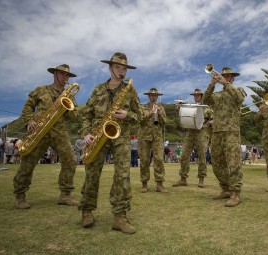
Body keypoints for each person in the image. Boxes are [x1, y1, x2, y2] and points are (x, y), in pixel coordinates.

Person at [79, 52, 140, 234]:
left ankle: (120, 217)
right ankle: (86, 211)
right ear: (110, 67)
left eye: (124, 68)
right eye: (118, 67)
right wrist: (86, 133)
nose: (122, 71)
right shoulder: (98, 89)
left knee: (122, 176)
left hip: (121, 136)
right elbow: (86, 114)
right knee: (92, 174)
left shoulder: (129, 90)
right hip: (98, 136)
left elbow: (141, 115)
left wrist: (127, 115)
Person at [13, 64, 79, 209]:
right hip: (39, 130)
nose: (65, 77)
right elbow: (28, 107)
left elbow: (75, 116)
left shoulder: (69, 95)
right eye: (62, 74)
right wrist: (29, 120)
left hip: (59, 132)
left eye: (67, 75)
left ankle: (65, 195)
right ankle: (20, 196)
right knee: (28, 162)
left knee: (70, 160)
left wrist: (67, 108)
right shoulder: (40, 90)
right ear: (54, 74)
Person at [203, 67, 246, 207]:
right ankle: (226, 189)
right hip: (216, 132)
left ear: (232, 78)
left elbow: (239, 99)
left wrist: (225, 84)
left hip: (231, 132)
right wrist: (212, 84)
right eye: (223, 76)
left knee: (233, 163)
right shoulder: (216, 95)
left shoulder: (238, 90)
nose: (225, 77)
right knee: (216, 164)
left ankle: (235, 193)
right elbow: (205, 99)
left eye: (228, 76)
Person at [172, 88, 213, 188]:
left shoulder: (206, 108)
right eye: (195, 95)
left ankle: (201, 179)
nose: (196, 97)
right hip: (190, 133)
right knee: (184, 155)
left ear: (201, 96)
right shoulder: (190, 107)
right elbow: (184, 116)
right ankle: (183, 179)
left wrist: (207, 124)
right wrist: (179, 109)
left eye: (198, 95)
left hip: (202, 133)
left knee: (202, 157)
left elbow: (213, 119)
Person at [137, 88, 168, 193]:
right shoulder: (142, 107)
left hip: (157, 137)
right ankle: (144, 184)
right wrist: (151, 113)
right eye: (152, 95)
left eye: (155, 95)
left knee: (159, 159)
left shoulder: (161, 108)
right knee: (144, 160)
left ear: (157, 96)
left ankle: (159, 184)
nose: (153, 97)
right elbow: (139, 120)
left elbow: (164, 123)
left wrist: (159, 114)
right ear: (149, 96)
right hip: (144, 137)